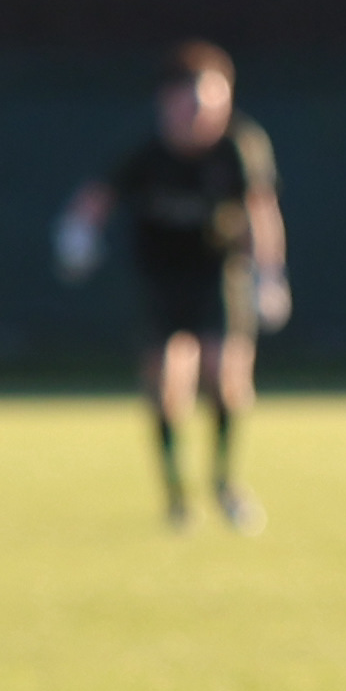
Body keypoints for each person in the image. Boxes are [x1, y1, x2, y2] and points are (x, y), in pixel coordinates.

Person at [59, 42, 289, 530]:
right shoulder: (145, 153)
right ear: (168, 103)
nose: (203, 117)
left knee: (226, 377)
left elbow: (260, 211)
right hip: (160, 276)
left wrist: (269, 276)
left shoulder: (238, 147)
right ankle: (176, 498)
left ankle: (225, 484)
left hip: (217, 273)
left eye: (214, 105)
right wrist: (77, 236)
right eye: (193, 106)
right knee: (167, 384)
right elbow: (96, 198)